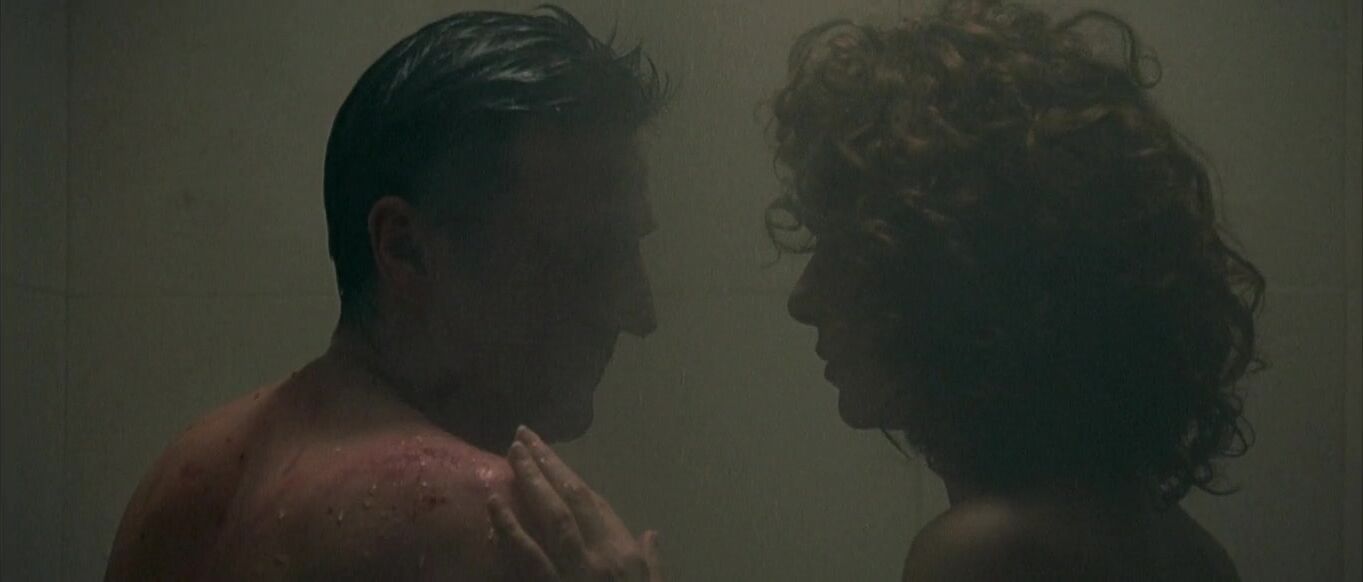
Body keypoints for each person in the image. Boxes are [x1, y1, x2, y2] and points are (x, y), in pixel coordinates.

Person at [497, 1, 1264, 581]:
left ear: (958, 281)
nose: (803, 299)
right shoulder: (1179, 543)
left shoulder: (985, 552)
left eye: (844, 254)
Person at [103, 6, 667, 580]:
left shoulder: (182, 480)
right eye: (589, 254)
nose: (641, 313)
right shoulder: (503, 527)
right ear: (405, 249)